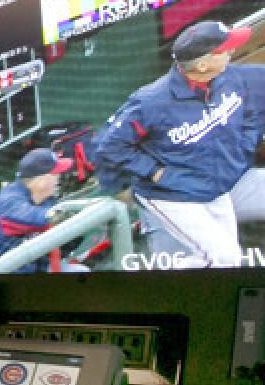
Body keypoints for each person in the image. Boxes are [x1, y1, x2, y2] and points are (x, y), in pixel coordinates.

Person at [96, 20, 265, 268]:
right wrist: (151, 171)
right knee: (224, 257)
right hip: (172, 195)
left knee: (230, 259)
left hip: (215, 186)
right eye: (225, 49)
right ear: (203, 64)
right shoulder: (151, 102)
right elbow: (110, 147)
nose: (231, 51)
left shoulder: (227, 79)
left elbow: (250, 109)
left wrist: (242, 147)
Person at [0, 148, 78, 273]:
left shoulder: (47, 200)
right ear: (40, 180)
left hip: (23, 270)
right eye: (55, 175)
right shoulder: (10, 200)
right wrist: (55, 216)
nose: (58, 179)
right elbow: (29, 217)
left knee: (79, 271)